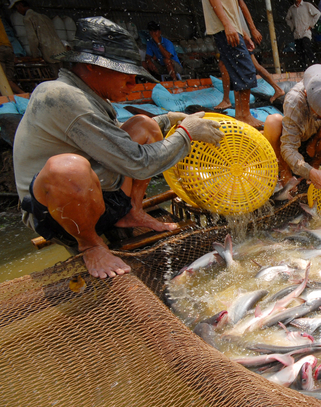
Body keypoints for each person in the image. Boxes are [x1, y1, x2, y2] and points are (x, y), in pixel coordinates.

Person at [12, 17, 223, 279]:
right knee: (68, 168)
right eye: (127, 75)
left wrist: (167, 119)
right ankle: (89, 243)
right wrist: (187, 133)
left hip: (101, 192)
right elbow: (138, 162)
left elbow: (111, 138)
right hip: (57, 212)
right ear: (93, 67)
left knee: (143, 124)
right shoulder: (61, 95)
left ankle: (132, 210)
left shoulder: (90, 96)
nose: (133, 83)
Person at [202, 0, 263, 128]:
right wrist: (227, 25)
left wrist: (243, 34)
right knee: (246, 70)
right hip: (225, 28)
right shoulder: (225, 25)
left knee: (238, 73)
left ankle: (241, 116)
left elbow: (235, 9)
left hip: (231, 28)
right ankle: (246, 116)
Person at [215, 0, 285, 110]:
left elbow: (241, 6)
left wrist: (251, 30)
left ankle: (227, 100)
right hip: (239, 32)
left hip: (238, 33)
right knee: (244, 65)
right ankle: (277, 89)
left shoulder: (229, 6)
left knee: (231, 66)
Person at [8, 0, 66, 77]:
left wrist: (34, 55)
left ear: (20, 5)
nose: (18, 10)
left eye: (17, 8)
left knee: (56, 77)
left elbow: (33, 39)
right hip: (60, 49)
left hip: (49, 52)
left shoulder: (28, 18)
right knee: (64, 75)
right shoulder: (44, 17)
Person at [286, 0, 321, 70]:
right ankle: (304, 68)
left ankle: (316, 65)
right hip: (297, 33)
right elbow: (287, 19)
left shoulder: (306, 5)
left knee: (307, 48)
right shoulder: (292, 9)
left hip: (306, 32)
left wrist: (311, 24)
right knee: (300, 52)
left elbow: (318, 13)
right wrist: (292, 26)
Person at [0, 17, 23, 94]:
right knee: (8, 80)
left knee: (2, 80)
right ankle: (23, 95)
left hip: (1, 50)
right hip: (8, 49)